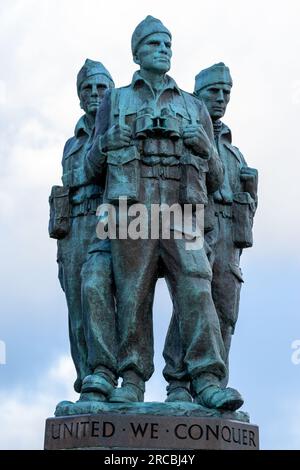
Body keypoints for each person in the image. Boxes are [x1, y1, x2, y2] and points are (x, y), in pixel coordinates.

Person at [85, 17, 243, 411]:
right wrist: (106, 142)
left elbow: (218, 179)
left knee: (196, 286)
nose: (163, 49)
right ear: (137, 52)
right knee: (132, 293)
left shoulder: (192, 105)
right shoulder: (115, 100)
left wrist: (204, 145)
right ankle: (132, 380)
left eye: (168, 44)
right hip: (130, 210)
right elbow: (90, 167)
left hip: (181, 211)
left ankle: (206, 379)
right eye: (154, 43)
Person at [163, 63, 258, 399]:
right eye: (213, 92)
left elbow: (247, 207)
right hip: (192, 228)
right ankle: (178, 381)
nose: (220, 99)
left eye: (225, 92)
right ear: (197, 95)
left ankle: (214, 386)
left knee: (225, 314)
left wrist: (250, 195)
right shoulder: (184, 135)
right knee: (190, 303)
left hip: (228, 242)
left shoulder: (234, 153)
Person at [49, 59, 117, 398]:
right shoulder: (71, 143)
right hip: (73, 227)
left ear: (111, 93)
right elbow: (69, 182)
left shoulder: (118, 129)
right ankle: (86, 382)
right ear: (79, 97)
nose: (93, 94)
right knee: (76, 311)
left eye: (100, 87)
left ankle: (109, 375)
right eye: (87, 89)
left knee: (101, 299)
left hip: (109, 223)